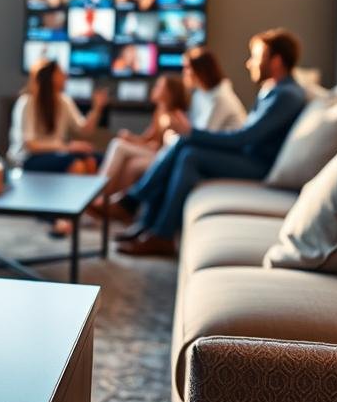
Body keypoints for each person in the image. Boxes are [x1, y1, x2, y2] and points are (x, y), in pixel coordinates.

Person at [108, 28, 307, 257]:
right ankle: (148, 225)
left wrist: (192, 133)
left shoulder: (287, 95)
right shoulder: (276, 90)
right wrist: (190, 134)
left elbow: (246, 137)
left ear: (276, 61)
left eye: (257, 56)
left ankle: (143, 215)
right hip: (249, 156)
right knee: (186, 148)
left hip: (258, 165)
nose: (249, 63)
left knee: (189, 150)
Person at [8, 57, 109, 173]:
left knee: (91, 160)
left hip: (56, 152)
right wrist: (67, 147)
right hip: (28, 158)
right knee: (76, 165)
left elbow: (84, 130)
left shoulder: (63, 100)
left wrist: (97, 108)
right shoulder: (27, 102)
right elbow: (31, 145)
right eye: (60, 73)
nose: (65, 76)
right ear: (49, 77)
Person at [97, 74, 188, 198]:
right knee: (130, 162)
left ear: (169, 93)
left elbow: (171, 144)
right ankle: (111, 200)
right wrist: (130, 138)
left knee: (118, 146)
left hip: (163, 157)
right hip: (154, 152)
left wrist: (154, 143)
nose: (154, 89)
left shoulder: (175, 116)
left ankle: (99, 192)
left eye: (159, 86)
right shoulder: (159, 111)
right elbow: (147, 139)